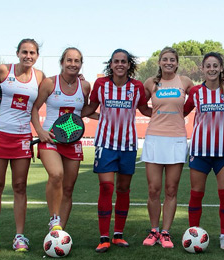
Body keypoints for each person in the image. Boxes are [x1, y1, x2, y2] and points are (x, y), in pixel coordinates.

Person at [81, 49, 151, 253]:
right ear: (110, 65)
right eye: (116, 61)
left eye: (124, 61)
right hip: (105, 144)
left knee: (123, 189)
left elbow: (145, 110)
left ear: (129, 65)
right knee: (106, 188)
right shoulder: (101, 84)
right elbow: (89, 108)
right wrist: (71, 109)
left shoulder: (136, 87)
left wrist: (167, 112)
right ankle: (103, 237)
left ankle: (118, 235)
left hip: (128, 145)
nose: (120, 64)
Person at [0, 39, 45, 254]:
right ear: (17, 53)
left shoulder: (40, 77)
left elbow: (42, 101)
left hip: (22, 138)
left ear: (37, 55)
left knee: (19, 187)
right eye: (24, 52)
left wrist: (77, 78)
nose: (28, 55)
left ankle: (19, 236)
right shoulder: (3, 70)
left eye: (32, 52)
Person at [31, 47, 94, 232]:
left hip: (73, 141)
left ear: (81, 64)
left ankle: (58, 232)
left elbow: (83, 111)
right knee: (56, 174)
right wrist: (40, 131)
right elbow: (34, 108)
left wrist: (106, 114)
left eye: (76, 61)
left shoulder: (85, 86)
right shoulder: (50, 83)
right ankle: (54, 217)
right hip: (50, 139)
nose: (72, 64)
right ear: (62, 62)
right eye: (69, 60)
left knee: (68, 189)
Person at [141, 47, 193, 249]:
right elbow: (141, 104)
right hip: (155, 138)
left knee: (171, 189)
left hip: (177, 139)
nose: (169, 62)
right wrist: (154, 116)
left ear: (177, 63)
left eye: (172, 59)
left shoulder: (185, 82)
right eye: (165, 59)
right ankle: (154, 230)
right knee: (154, 189)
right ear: (160, 62)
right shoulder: (151, 83)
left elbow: (200, 95)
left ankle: (166, 233)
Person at [183, 52, 224, 250]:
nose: (212, 69)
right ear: (202, 69)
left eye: (215, 65)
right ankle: (193, 233)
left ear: (221, 68)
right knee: (196, 193)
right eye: (208, 66)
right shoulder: (196, 92)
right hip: (200, 151)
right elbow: (182, 112)